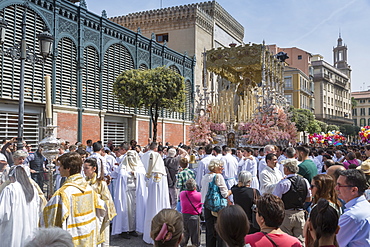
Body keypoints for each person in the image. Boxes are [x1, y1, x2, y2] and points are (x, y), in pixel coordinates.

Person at [41, 152, 106, 246]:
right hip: (88, 235)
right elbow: (101, 211)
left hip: (73, 238)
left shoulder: (63, 193)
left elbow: (50, 218)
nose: (58, 169)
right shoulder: (88, 188)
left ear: (68, 168)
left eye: (61, 166)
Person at [0, 166, 42, 247]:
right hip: (30, 232)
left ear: (12, 176)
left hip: (12, 231)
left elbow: (2, 212)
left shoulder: (10, 189)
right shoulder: (33, 189)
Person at [273, 158, 311, 244]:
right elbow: (309, 198)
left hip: (287, 213)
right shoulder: (304, 181)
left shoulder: (283, 183)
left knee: (285, 240)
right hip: (300, 213)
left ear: (286, 169)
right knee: (301, 240)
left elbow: (276, 199)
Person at [112, 150, 147, 239]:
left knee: (134, 211)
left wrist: (134, 173)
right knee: (126, 210)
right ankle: (123, 229)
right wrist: (128, 173)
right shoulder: (123, 166)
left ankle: (132, 229)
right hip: (125, 192)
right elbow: (119, 174)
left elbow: (143, 175)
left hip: (136, 191)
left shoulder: (139, 167)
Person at [83, 158, 116, 246]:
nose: (84, 170)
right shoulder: (84, 182)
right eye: (83, 168)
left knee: (101, 236)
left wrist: (96, 200)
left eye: (86, 168)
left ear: (94, 168)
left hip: (99, 213)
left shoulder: (101, 183)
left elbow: (107, 200)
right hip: (88, 213)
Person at [335, 169, 370, 246]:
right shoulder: (365, 206)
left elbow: (335, 243)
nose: (336, 188)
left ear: (354, 190)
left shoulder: (351, 216)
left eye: (339, 185)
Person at [143, 151, 170, 244]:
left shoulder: (157, 174)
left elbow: (153, 186)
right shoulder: (160, 173)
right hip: (154, 199)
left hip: (155, 200)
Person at [201, 159, 229, 247]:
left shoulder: (205, 176)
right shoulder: (218, 177)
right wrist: (231, 191)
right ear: (216, 167)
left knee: (210, 231)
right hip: (218, 207)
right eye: (221, 166)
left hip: (207, 205)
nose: (222, 168)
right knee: (220, 231)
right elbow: (224, 193)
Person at [179, 178, 202, 247]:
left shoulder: (182, 194)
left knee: (184, 236)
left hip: (184, 216)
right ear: (195, 187)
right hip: (194, 217)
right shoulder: (199, 195)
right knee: (195, 238)